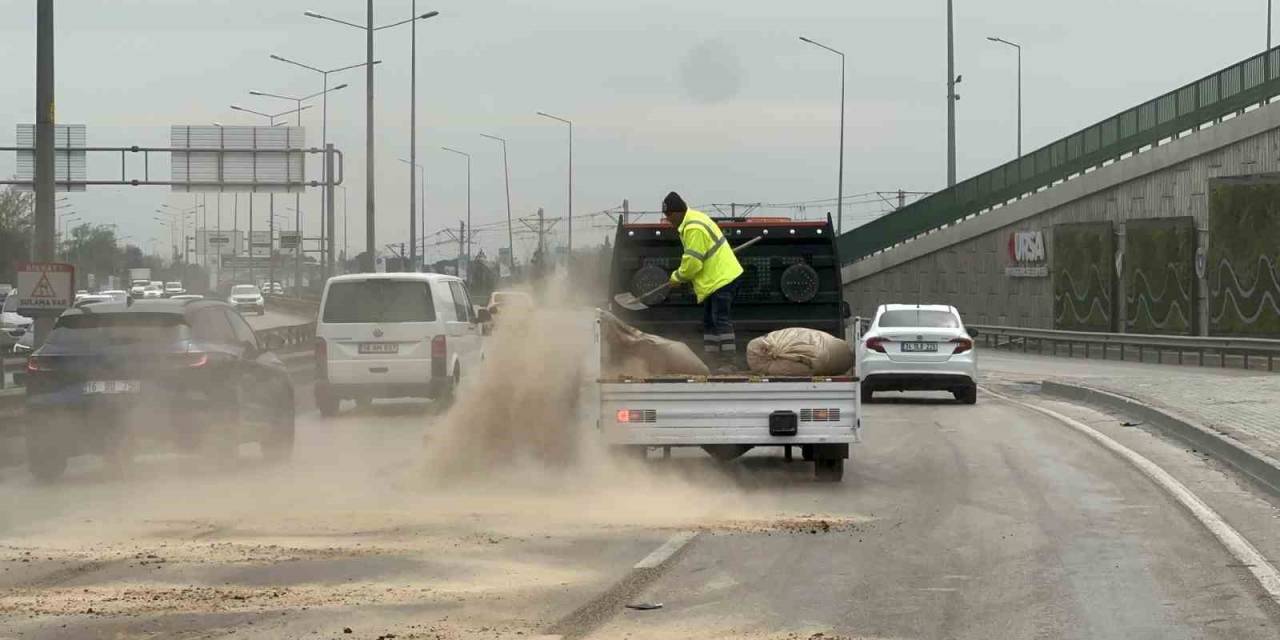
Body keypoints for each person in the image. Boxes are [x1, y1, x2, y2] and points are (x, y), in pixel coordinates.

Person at [663, 191, 744, 369]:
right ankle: (712, 361)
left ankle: (729, 362)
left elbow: (692, 263)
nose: (667, 219)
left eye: (668, 215)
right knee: (709, 321)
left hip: (723, 279)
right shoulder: (693, 220)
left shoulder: (694, 227)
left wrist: (676, 277)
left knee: (720, 319)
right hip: (714, 281)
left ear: (677, 212)